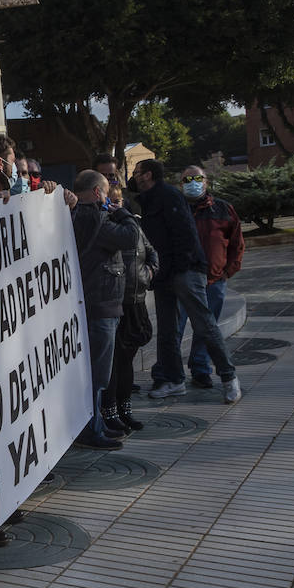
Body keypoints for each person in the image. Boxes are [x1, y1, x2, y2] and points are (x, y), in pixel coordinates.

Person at [129, 159, 241, 403]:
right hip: (165, 273)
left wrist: (176, 270)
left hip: (184, 271)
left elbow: (184, 235)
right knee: (168, 331)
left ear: (147, 175)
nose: (133, 177)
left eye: (136, 173)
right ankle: (174, 380)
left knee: (204, 325)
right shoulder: (148, 197)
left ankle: (229, 377)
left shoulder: (168, 196)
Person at [70, 171, 140, 450]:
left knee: (96, 375)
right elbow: (130, 237)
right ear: (98, 193)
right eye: (106, 191)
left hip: (96, 304)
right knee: (97, 376)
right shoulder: (95, 219)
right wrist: (122, 213)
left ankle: (96, 425)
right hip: (100, 307)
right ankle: (90, 430)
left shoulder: (79, 215)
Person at [175, 165, 245, 389]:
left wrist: (227, 271)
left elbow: (237, 243)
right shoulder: (176, 209)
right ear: (180, 184)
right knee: (174, 329)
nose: (192, 183)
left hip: (214, 281)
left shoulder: (223, 209)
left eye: (197, 178)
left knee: (206, 329)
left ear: (206, 182)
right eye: (187, 179)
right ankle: (171, 372)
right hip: (182, 282)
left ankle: (200, 369)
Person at [104, 183, 158, 433]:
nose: (116, 205)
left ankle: (126, 409)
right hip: (115, 303)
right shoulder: (106, 225)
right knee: (114, 363)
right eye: (110, 200)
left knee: (127, 362)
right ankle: (110, 411)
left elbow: (150, 252)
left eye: (119, 200)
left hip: (136, 301)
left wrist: (147, 274)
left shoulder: (132, 224)